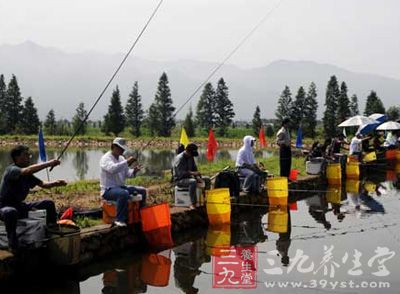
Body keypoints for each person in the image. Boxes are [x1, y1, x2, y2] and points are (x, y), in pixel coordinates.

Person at [0, 145, 67, 250]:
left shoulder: (27, 174)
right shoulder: (12, 170)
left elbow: (43, 184)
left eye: (29, 155)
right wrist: (49, 163)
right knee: (10, 212)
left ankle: (52, 234)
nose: (29, 157)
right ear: (17, 158)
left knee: (48, 204)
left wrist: (57, 183)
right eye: (26, 155)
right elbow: (27, 171)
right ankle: (13, 245)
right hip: (4, 207)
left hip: (19, 206)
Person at [100, 137, 147, 227]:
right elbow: (113, 169)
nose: (122, 150)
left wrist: (134, 171)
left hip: (120, 187)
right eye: (120, 148)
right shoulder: (106, 158)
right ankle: (120, 219)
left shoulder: (121, 158)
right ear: (113, 146)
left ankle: (141, 214)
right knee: (123, 194)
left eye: (123, 149)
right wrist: (127, 162)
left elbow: (127, 174)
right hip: (108, 190)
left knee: (142, 190)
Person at [172, 143, 203, 210]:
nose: (192, 156)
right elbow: (180, 174)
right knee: (193, 182)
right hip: (179, 180)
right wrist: (193, 174)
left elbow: (194, 168)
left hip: (188, 177)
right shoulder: (179, 159)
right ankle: (193, 203)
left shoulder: (190, 157)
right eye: (191, 154)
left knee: (207, 179)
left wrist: (198, 177)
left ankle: (204, 199)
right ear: (188, 151)